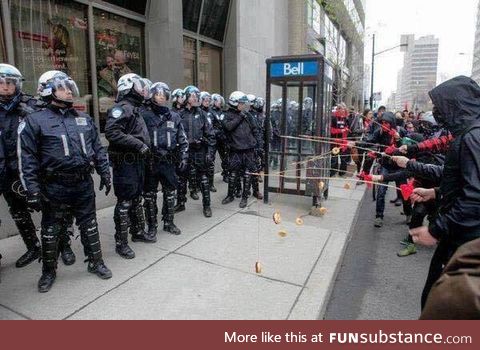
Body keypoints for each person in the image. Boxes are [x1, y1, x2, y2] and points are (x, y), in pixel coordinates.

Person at [19, 71, 112, 292]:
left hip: (83, 183)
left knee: (89, 224)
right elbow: (27, 159)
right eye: (62, 87)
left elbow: (97, 149)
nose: (69, 91)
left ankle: (95, 262)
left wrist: (105, 172)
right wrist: (31, 190)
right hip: (54, 185)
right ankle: (48, 271)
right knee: (51, 229)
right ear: (49, 91)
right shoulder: (34, 121)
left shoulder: (83, 118)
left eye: (69, 87)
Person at [399, 76, 480, 309]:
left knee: (442, 306)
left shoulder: (472, 137)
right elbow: (463, 180)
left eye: (439, 107)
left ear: (455, 105)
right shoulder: (467, 134)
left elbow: (474, 199)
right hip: (460, 238)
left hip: (464, 241)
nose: (436, 112)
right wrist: (436, 192)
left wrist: (435, 229)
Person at [0, 64, 76, 268]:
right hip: (5, 171)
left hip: (35, 169)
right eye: (1, 83)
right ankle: (33, 247)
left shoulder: (32, 105)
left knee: (53, 209)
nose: (5, 87)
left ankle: (64, 245)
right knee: (17, 210)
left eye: (9, 83)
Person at [105, 73, 154, 260]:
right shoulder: (121, 108)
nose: (143, 90)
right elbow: (112, 132)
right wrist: (138, 144)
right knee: (125, 203)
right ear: (129, 88)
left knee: (136, 199)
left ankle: (137, 232)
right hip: (125, 164)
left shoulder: (134, 108)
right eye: (139, 86)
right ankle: (121, 243)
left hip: (136, 163)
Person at [141, 82, 188, 237]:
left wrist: (183, 156)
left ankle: (169, 222)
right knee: (149, 196)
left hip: (168, 161)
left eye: (164, 95)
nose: (161, 97)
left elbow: (182, 139)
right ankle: (152, 226)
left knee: (170, 193)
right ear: (152, 95)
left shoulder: (174, 116)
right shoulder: (144, 114)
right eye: (158, 94)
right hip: (150, 161)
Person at [175, 86, 215, 218]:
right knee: (181, 178)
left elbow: (210, 135)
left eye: (197, 96)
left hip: (199, 150)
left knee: (203, 178)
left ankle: (207, 206)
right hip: (184, 152)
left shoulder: (203, 114)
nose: (195, 98)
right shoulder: (178, 114)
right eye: (192, 96)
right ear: (186, 97)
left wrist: (210, 152)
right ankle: (181, 203)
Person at [222, 91, 260, 208]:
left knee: (248, 174)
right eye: (242, 103)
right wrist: (240, 116)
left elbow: (255, 130)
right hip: (235, 150)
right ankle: (230, 195)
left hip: (249, 150)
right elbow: (228, 127)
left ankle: (244, 198)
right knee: (233, 173)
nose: (244, 105)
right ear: (234, 102)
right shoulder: (227, 115)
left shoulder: (248, 115)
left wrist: (258, 145)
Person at [200, 91, 217, 193]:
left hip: (210, 142)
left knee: (210, 163)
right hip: (200, 144)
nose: (207, 102)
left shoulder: (212, 112)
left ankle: (210, 184)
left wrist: (213, 133)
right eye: (205, 100)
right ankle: (198, 186)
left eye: (208, 100)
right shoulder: (197, 112)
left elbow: (219, 126)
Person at [211, 94, 229, 183]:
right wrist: (217, 132)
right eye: (218, 101)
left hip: (222, 139)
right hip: (214, 140)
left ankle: (226, 174)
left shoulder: (223, 112)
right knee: (211, 159)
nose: (220, 102)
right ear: (213, 101)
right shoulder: (210, 112)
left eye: (220, 101)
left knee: (225, 157)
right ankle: (210, 182)